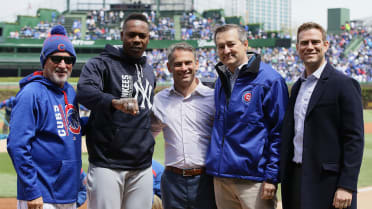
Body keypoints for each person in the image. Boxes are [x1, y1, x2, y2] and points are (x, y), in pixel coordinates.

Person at [280, 22, 364, 209]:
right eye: (304, 43)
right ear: (297, 48)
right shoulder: (297, 87)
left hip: (329, 183)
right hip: (295, 178)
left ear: (325, 45)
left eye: (315, 42)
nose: (309, 47)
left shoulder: (344, 84)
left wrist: (346, 185)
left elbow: (354, 139)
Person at [76, 13, 156, 209]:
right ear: (122, 35)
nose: (137, 40)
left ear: (148, 38)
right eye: (132, 35)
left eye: (142, 36)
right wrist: (114, 102)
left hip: (142, 166)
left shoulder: (148, 70)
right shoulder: (100, 63)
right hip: (107, 164)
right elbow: (85, 92)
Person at [205, 24, 289, 209]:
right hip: (222, 177)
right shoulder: (221, 79)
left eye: (231, 44)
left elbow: (279, 132)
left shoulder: (270, 80)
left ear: (245, 43)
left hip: (254, 181)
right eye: (221, 46)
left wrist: (271, 177)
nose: (226, 50)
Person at [7, 25, 83, 209]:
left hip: (66, 194)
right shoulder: (31, 93)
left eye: (68, 60)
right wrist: (32, 192)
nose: (63, 65)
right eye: (56, 58)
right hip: (41, 196)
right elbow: (17, 145)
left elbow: (71, 127)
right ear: (44, 61)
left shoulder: (70, 92)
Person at [151, 42, 217, 209]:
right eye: (178, 64)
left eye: (188, 62)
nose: (184, 68)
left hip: (206, 179)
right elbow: (149, 135)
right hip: (173, 181)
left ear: (196, 64)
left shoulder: (213, 98)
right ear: (169, 67)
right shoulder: (160, 100)